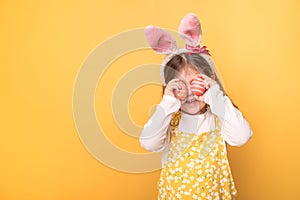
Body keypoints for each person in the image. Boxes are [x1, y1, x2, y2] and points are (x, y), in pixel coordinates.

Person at [140, 13, 252, 199]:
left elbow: (242, 137)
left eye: (195, 82)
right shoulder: (171, 120)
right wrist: (168, 102)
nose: (190, 92)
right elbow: (148, 143)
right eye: (180, 84)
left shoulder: (219, 117)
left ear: (210, 81)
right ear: (169, 88)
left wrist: (215, 96)